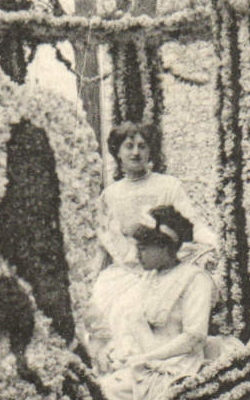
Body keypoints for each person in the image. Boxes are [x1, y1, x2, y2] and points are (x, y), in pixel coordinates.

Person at [85, 122, 217, 369]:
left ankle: (144, 363)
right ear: (117, 152)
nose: (136, 153)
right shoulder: (110, 195)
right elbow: (104, 245)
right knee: (104, 303)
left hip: (159, 266)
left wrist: (213, 242)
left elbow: (192, 223)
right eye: (129, 146)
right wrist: (92, 274)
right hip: (124, 270)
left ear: (150, 151)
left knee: (137, 306)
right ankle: (112, 365)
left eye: (142, 146)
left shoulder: (168, 186)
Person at [97, 205, 213, 400]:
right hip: (143, 365)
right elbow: (136, 326)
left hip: (176, 369)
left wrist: (147, 358)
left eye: (143, 248)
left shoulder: (194, 279)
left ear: (165, 248)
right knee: (97, 387)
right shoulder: (149, 279)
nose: (136, 255)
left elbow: (194, 338)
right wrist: (119, 350)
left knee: (106, 393)